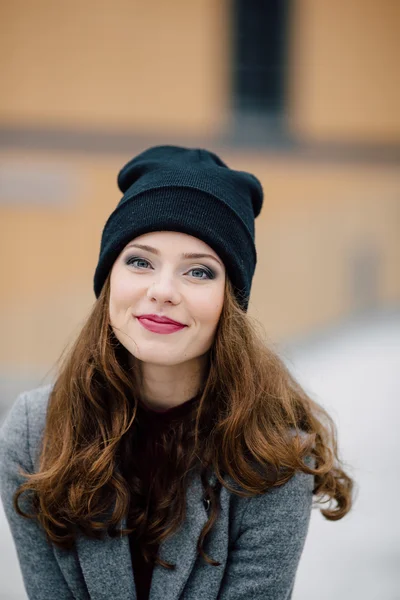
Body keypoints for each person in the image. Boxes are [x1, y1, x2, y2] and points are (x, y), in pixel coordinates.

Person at [0, 145, 354, 600]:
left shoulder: (274, 456)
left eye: (199, 272)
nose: (162, 291)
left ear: (231, 302)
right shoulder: (35, 432)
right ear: (110, 281)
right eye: (140, 261)